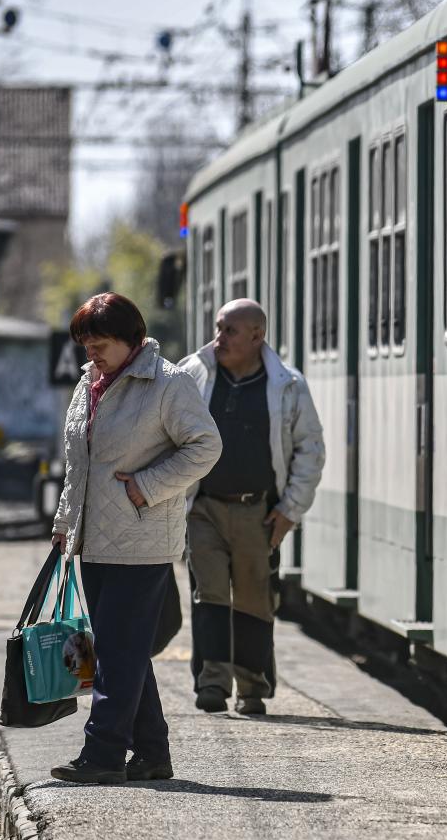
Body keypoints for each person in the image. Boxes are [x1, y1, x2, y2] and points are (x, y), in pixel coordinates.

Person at [48, 292, 222, 784]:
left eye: (100, 344)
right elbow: (78, 465)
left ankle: (102, 755)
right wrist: (65, 523)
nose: (91, 354)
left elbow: (206, 446)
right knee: (122, 649)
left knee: (118, 654)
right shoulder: (89, 386)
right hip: (94, 540)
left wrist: (147, 487)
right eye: (86, 345)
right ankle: (151, 755)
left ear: (131, 340)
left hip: (141, 541)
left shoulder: (168, 383)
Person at [178, 298, 325, 715]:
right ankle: (211, 684)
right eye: (218, 328)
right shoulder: (194, 375)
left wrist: (290, 510)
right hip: (203, 507)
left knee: (254, 600)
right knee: (208, 596)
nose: (218, 339)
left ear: (257, 336)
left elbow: (310, 450)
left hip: (257, 511)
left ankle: (252, 687)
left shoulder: (288, 386)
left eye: (229, 331)